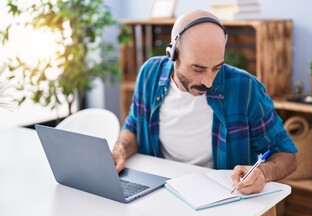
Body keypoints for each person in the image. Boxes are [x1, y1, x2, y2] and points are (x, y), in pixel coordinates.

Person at [112, 9, 297, 195]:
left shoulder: (246, 88)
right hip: (161, 191)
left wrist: (263, 173)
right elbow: (133, 128)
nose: (208, 82)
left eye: (217, 67)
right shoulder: (149, 74)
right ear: (173, 54)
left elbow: (288, 156)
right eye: (198, 69)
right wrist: (121, 150)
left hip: (223, 199)